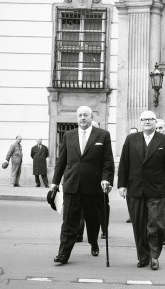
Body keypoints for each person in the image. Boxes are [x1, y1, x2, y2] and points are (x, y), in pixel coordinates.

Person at [51, 106, 114, 265]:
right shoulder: (68, 135)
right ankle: (63, 254)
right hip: (72, 184)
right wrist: (54, 182)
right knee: (69, 222)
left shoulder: (103, 135)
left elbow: (107, 161)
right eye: (79, 115)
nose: (82, 118)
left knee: (93, 220)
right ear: (77, 118)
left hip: (93, 187)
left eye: (86, 115)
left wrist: (106, 179)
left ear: (91, 117)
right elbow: (62, 161)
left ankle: (93, 242)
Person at [118, 110, 165, 271]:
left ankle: (154, 256)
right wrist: (122, 185)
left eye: (150, 119)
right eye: (144, 119)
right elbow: (124, 163)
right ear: (140, 122)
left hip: (157, 190)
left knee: (156, 224)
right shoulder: (131, 139)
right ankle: (143, 256)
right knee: (138, 225)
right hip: (135, 189)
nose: (147, 122)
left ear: (155, 122)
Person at [126, 127, 139, 224]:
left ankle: (135, 216)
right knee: (129, 199)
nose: (132, 135)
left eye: (134, 133)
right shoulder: (127, 144)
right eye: (130, 133)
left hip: (138, 179)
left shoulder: (140, 144)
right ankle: (131, 215)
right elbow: (124, 162)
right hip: (129, 178)